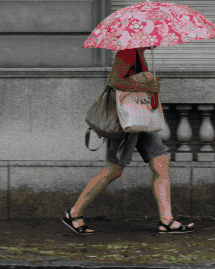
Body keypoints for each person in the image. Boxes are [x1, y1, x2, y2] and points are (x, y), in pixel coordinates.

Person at [63, 47, 195, 235]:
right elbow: (115, 81)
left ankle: (166, 221)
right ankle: (74, 214)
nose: (157, 41)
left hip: (143, 118)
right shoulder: (128, 53)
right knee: (113, 170)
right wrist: (146, 87)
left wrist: (150, 88)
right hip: (127, 123)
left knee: (161, 165)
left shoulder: (140, 54)